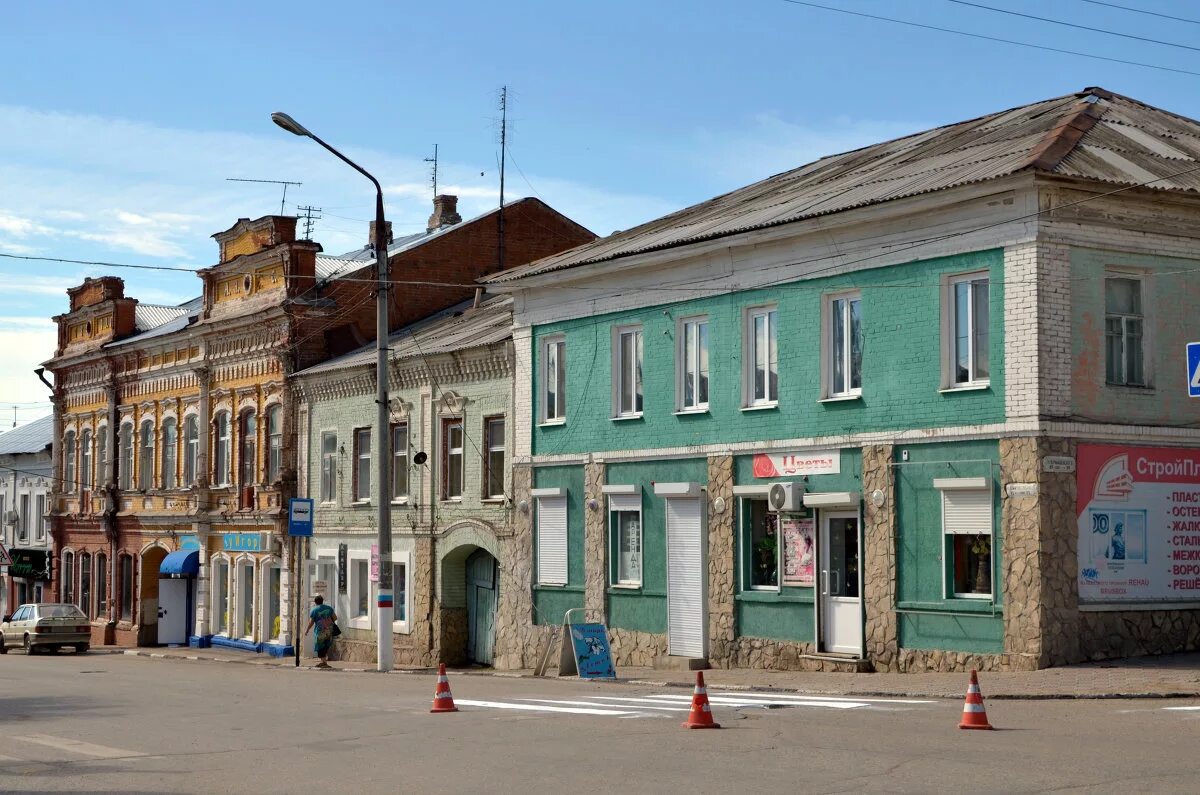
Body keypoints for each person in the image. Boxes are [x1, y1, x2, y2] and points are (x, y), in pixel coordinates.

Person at [304, 595, 338, 668]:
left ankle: (324, 662)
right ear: (322, 601)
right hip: (329, 630)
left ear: (315, 602)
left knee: (320, 646)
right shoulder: (329, 608)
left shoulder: (314, 610)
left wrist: (307, 630)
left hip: (320, 632)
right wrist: (327, 621)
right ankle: (323, 662)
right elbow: (335, 618)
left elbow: (311, 622)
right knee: (326, 645)